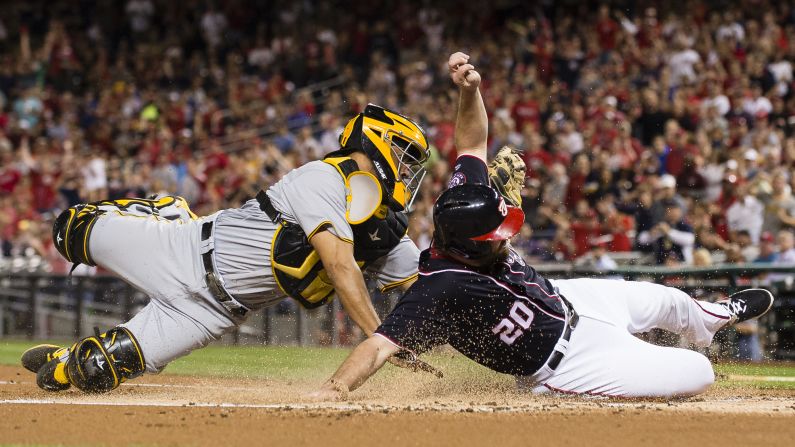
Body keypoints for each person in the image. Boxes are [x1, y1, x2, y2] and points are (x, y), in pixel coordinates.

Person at [307, 53, 776, 400]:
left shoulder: (467, 198)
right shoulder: (439, 287)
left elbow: (471, 140)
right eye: (495, 236)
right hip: (568, 363)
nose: (505, 236)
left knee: (665, 299)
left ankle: (712, 316)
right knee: (697, 373)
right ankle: (567, 390)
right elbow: (378, 347)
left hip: (570, 297)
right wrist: (333, 391)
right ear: (468, 246)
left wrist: (469, 91)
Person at [20, 102, 433, 393]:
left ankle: (66, 359)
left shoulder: (385, 232)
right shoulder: (324, 178)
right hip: (180, 249)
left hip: (211, 314)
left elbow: (431, 290)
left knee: (89, 371)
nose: (407, 168)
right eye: (404, 153)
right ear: (376, 141)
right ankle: (170, 212)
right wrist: (381, 337)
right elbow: (341, 265)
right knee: (68, 229)